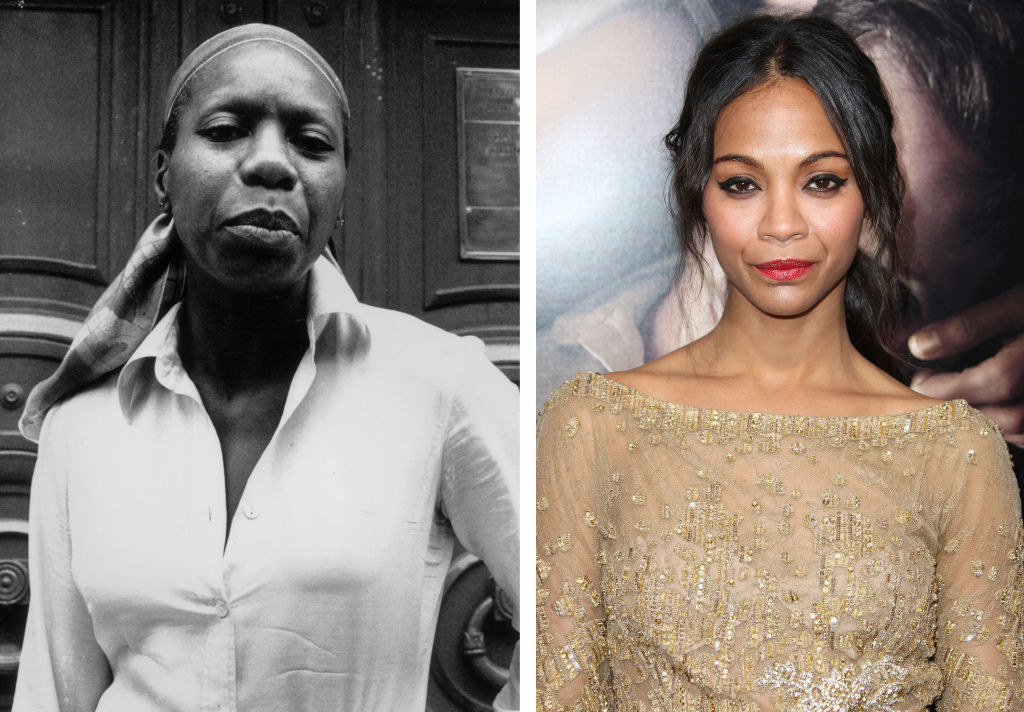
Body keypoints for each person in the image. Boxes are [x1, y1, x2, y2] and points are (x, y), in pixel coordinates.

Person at [13, 24, 519, 712]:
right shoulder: (82, 428)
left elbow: (581, 598)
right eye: (225, 131)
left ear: (339, 188)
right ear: (164, 169)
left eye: (312, 145)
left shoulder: (437, 385)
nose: (273, 164)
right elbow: (55, 689)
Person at [536, 14, 1023, 712]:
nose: (796, 242)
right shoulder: (565, 413)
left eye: (891, 282)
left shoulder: (957, 467)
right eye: (821, 172)